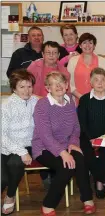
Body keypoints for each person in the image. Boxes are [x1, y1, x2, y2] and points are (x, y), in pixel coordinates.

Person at [32, 72, 95, 215]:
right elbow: (45, 136)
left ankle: (87, 199)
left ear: (67, 85)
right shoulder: (42, 105)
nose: (59, 86)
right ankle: (48, 205)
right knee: (66, 165)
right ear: (48, 88)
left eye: (61, 82)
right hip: (43, 147)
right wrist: (63, 152)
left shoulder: (70, 101)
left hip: (66, 144)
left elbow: (76, 127)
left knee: (80, 158)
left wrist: (73, 144)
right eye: (54, 83)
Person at [78, 68, 105, 199]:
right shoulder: (85, 99)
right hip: (87, 136)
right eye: (96, 80)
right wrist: (91, 139)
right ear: (91, 82)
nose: (100, 83)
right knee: (87, 156)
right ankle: (103, 180)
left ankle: (99, 183)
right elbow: (82, 122)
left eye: (103, 80)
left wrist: (103, 139)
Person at [1, 69, 39, 215]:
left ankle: (10, 196)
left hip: (29, 144)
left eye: (29, 86)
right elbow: (2, 136)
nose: (27, 90)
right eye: (22, 87)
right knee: (2, 179)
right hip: (7, 146)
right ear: (14, 88)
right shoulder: (6, 105)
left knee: (15, 163)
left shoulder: (37, 101)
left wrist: (24, 151)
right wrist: (21, 151)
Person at [67, 33, 105, 101]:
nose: (87, 45)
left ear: (94, 46)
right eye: (84, 43)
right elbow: (68, 82)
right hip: (77, 100)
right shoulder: (73, 61)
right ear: (80, 45)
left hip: (97, 100)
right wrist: (81, 97)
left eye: (90, 43)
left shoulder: (102, 61)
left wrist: (96, 97)